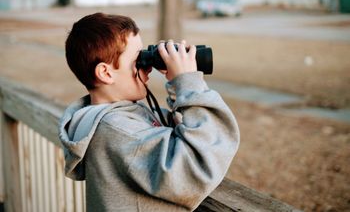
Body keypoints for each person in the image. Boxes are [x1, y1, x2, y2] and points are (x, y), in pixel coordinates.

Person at [58, 12, 240, 212]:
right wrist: (188, 83)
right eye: (138, 60)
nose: (147, 67)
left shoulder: (113, 118)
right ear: (106, 73)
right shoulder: (118, 130)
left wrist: (177, 83)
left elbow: (184, 132)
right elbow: (199, 165)